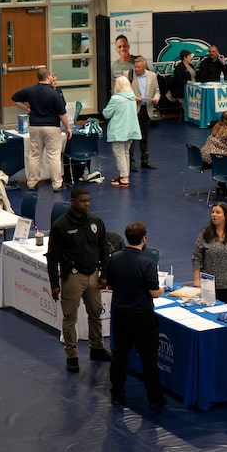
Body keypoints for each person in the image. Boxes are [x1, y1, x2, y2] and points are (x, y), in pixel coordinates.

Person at [46, 187, 111, 373]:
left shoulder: (96, 222)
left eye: (88, 200)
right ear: (73, 201)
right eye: (83, 201)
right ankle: (72, 355)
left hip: (93, 275)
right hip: (73, 276)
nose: (87, 204)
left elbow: (104, 250)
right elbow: (53, 257)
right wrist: (54, 284)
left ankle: (97, 347)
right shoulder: (60, 226)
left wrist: (104, 274)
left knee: (96, 312)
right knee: (69, 318)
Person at [107, 222, 166, 408]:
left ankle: (116, 393)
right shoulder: (147, 262)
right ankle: (155, 398)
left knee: (119, 356)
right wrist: (163, 289)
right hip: (141, 316)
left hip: (120, 313)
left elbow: (109, 284)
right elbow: (154, 292)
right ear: (144, 239)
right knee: (149, 358)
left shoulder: (114, 258)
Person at [11, 67, 71, 192]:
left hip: (34, 126)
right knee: (53, 156)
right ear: (49, 76)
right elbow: (62, 114)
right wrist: (67, 128)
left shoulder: (30, 90)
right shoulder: (54, 93)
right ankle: (57, 184)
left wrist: (27, 108)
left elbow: (15, 98)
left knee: (35, 155)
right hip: (51, 127)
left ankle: (32, 183)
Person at [102, 75, 141, 188]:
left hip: (119, 131)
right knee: (126, 153)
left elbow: (106, 114)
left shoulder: (116, 99)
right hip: (131, 130)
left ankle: (124, 178)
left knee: (119, 154)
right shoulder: (132, 98)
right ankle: (124, 176)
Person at [128, 56, 160, 171]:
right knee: (132, 137)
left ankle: (145, 160)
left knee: (144, 136)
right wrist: (133, 97)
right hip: (134, 109)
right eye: (135, 67)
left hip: (146, 108)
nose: (136, 69)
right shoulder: (129, 75)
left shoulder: (152, 76)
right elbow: (124, 91)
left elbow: (157, 91)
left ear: (144, 66)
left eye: (139, 67)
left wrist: (156, 98)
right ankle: (130, 162)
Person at [170, 49, 196, 120]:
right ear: (185, 58)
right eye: (189, 57)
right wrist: (188, 82)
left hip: (194, 88)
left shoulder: (191, 66)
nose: (191, 58)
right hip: (182, 89)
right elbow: (178, 80)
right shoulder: (179, 67)